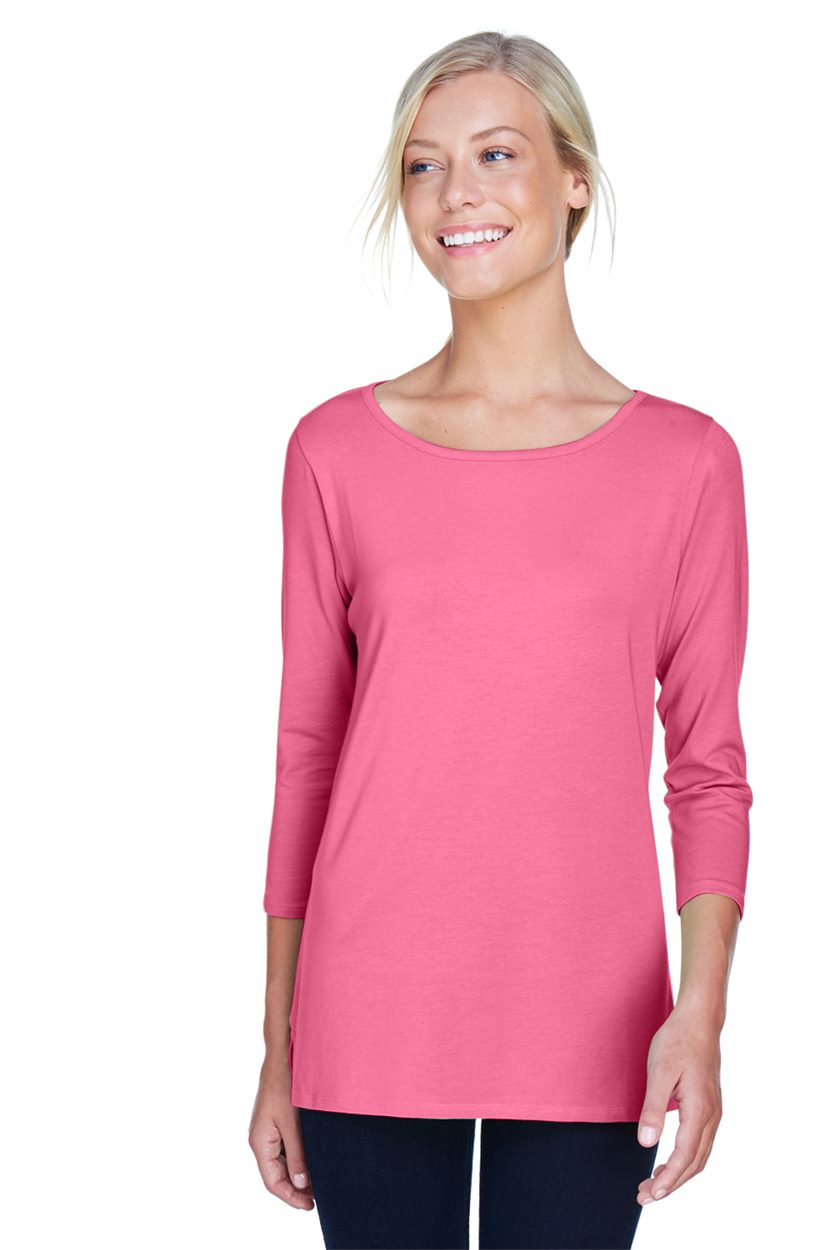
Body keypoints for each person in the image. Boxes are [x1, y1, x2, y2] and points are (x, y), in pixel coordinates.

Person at [248, 29, 753, 1250]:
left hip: (595, 1020)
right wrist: (276, 1041)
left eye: (494, 154)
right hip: (369, 1010)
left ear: (573, 178)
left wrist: (700, 1015)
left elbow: (707, 767)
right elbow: (307, 756)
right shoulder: (333, 450)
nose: (454, 193)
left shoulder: (686, 462)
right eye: (422, 165)